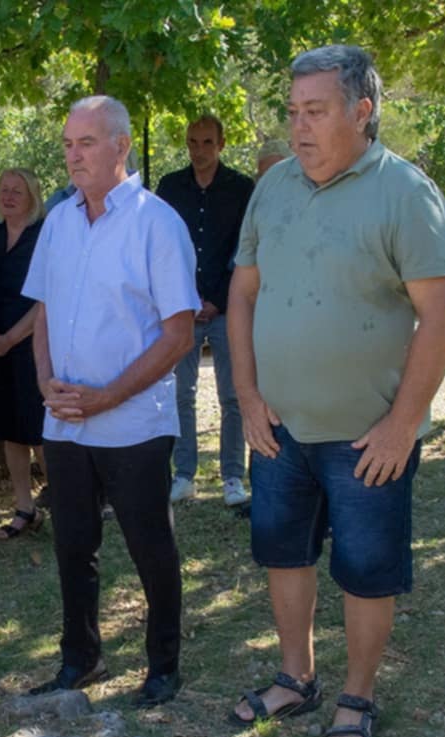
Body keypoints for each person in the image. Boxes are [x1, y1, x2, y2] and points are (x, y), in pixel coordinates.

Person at [226, 45, 445, 737]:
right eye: (293, 111)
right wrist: (247, 396)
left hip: (367, 438)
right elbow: (242, 295)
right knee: (284, 554)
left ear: (361, 112)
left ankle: (357, 695)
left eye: (316, 111)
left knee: (365, 571)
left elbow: (444, 315)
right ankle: (295, 678)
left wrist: (401, 425)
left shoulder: (406, 194)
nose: (299, 127)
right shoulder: (273, 187)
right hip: (278, 427)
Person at [23, 95, 199, 708]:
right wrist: (45, 381)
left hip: (134, 423)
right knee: (73, 546)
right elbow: (43, 312)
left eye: (87, 143)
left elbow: (179, 336)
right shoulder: (59, 221)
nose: (73, 155)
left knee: (150, 546)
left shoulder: (158, 223)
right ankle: (81, 659)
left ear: (121, 146)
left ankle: (164, 666)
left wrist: (105, 398)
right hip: (66, 421)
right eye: (68, 144)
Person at [156, 115, 256, 508]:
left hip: (228, 307)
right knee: (181, 393)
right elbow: (162, 246)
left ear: (222, 144)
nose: (199, 151)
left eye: (207, 142)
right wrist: (187, 297)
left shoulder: (241, 188)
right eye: (193, 142)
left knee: (233, 394)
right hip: (182, 307)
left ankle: (232, 476)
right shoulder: (170, 187)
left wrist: (216, 297)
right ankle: (184, 474)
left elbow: (245, 248)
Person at [0, 168, 48, 539]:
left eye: (17, 191)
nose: (8, 196)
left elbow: (48, 298)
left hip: (33, 343)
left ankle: (68, 505)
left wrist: (11, 338)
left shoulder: (44, 235)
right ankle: (25, 508)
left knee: (39, 430)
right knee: (9, 430)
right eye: (3, 190)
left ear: (32, 197)